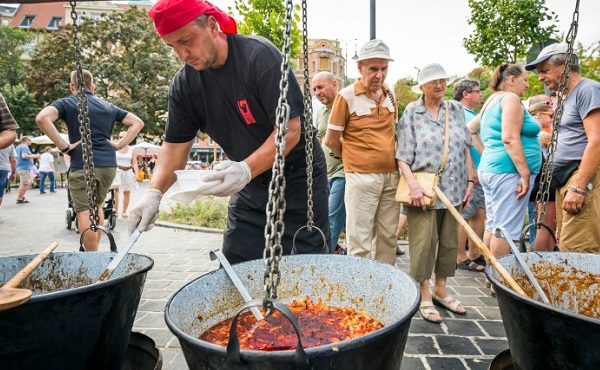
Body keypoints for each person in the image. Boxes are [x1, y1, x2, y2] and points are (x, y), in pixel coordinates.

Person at [128, 0, 330, 264]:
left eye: (186, 40)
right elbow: (174, 150)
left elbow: (290, 129)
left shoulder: (258, 56)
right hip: (247, 185)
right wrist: (153, 193)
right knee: (237, 264)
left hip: (298, 179)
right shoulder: (185, 86)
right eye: (172, 46)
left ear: (212, 26)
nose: (182, 54)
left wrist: (244, 169)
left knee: (306, 267)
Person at [397, 63, 473, 323]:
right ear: (422, 87)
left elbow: (464, 147)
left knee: (450, 243)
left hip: (454, 186)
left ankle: (441, 289)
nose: (439, 85)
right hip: (424, 189)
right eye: (433, 82)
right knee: (423, 244)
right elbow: (403, 156)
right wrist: (413, 186)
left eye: (443, 80)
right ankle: (424, 292)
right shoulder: (412, 112)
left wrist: (471, 180)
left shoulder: (455, 109)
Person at [36, 69, 144, 251]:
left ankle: (91, 256)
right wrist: (118, 145)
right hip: (108, 165)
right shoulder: (108, 106)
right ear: (93, 87)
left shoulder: (67, 103)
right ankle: (96, 253)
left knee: (85, 210)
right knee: (97, 206)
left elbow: (42, 118)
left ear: (72, 87)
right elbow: (137, 122)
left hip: (82, 165)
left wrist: (63, 146)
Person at [468, 64, 542, 296]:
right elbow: (510, 138)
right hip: (507, 172)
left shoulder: (491, 101)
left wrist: (487, 151)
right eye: (525, 80)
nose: (527, 84)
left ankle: (492, 277)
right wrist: (524, 173)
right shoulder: (509, 99)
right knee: (506, 229)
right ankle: (500, 281)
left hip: (493, 169)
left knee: (494, 224)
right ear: (511, 79)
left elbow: (471, 130)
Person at [325, 39, 399, 265]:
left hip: (390, 177)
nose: (379, 74)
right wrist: (353, 162)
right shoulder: (346, 97)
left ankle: (385, 288)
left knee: (388, 238)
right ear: (360, 68)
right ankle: (360, 294)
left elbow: (392, 132)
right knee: (360, 240)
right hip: (360, 178)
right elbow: (331, 140)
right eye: (373, 69)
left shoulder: (391, 94)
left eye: (384, 68)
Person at [525, 42, 600, 253]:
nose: (540, 77)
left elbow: (596, 141)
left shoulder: (589, 90)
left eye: (545, 71)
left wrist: (578, 186)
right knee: (567, 244)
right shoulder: (566, 96)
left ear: (565, 65)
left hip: (580, 177)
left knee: (579, 249)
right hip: (564, 177)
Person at [453, 79, 486, 272]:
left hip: (478, 170)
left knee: (479, 212)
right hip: (469, 172)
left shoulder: (469, 113)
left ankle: (475, 253)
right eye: (477, 91)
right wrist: (471, 172)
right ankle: (459, 256)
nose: (480, 94)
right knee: (465, 214)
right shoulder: (461, 113)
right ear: (466, 94)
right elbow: (464, 144)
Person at [313, 71, 345, 254]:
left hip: (342, 173)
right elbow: (319, 140)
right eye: (315, 89)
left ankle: (325, 261)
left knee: (332, 219)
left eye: (320, 87)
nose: (317, 92)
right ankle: (338, 251)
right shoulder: (322, 112)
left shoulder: (346, 107)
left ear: (334, 84)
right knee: (330, 218)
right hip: (325, 174)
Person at [527, 103, 556, 251]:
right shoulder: (543, 135)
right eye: (550, 116)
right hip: (545, 180)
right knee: (545, 224)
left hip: (537, 179)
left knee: (543, 222)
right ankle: (539, 260)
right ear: (539, 114)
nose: (552, 119)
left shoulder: (529, 133)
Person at [114, 131, 138, 218]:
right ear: (118, 138)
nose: (122, 139)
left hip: (128, 172)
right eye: (120, 137)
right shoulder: (114, 148)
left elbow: (134, 162)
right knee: (115, 192)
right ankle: (115, 211)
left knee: (127, 193)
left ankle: (124, 212)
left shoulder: (132, 149)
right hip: (117, 171)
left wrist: (136, 173)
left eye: (124, 137)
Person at [15, 136, 40, 204]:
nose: (30, 141)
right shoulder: (24, 147)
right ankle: (20, 198)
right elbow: (24, 156)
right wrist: (35, 156)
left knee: (26, 182)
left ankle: (22, 196)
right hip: (24, 167)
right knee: (25, 183)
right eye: (30, 140)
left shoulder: (18, 147)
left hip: (22, 167)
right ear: (26, 140)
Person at [0, 143, 16, 208]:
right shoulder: (9, 144)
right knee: (0, 192)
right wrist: (13, 173)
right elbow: (13, 160)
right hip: (3, 169)